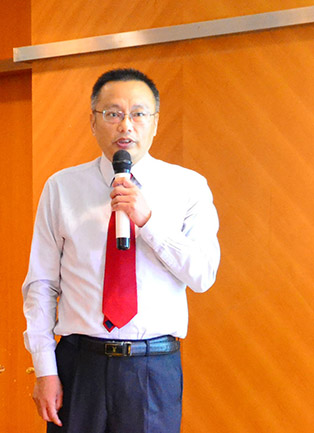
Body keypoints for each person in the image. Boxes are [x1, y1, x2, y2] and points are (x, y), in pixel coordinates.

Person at [22, 68, 220, 433]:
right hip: (80, 364)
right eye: (113, 114)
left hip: (152, 368)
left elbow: (203, 274)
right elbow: (41, 284)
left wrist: (149, 221)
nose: (126, 126)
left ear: (155, 123)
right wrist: (45, 369)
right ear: (93, 122)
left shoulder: (188, 187)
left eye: (138, 114)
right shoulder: (62, 188)